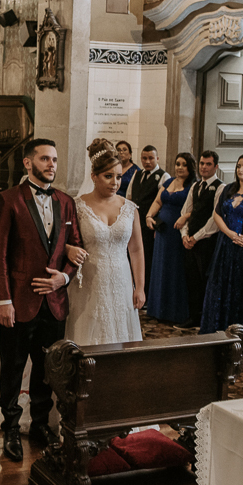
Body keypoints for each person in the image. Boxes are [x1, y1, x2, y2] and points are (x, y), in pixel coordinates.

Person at [0, 138, 82, 462]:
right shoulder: (8, 200)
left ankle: (40, 424)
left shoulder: (66, 203)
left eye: (54, 159)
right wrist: (3, 300)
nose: (51, 165)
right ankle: (11, 428)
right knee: (13, 368)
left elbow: (76, 247)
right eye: (44, 159)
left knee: (47, 368)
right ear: (28, 163)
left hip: (54, 303)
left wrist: (64, 277)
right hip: (18, 301)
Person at [68, 139, 145, 346]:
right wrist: (69, 249)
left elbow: (136, 249)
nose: (115, 183)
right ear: (94, 176)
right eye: (108, 176)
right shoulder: (77, 207)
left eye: (119, 177)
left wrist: (140, 287)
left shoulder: (130, 208)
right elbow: (63, 243)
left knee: (122, 331)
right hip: (90, 281)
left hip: (122, 279)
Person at [199, 153, 243, 334]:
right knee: (218, 285)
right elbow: (217, 214)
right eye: (238, 166)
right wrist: (228, 233)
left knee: (240, 288)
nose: (240, 170)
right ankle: (215, 329)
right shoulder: (228, 189)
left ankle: (237, 332)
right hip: (225, 244)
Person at [144, 152, 196, 324]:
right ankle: (156, 308)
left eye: (184, 164)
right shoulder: (168, 182)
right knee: (160, 267)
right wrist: (149, 216)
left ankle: (174, 311)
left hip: (177, 232)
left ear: (190, 167)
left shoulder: (193, 185)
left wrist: (186, 217)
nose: (180, 167)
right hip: (162, 232)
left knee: (174, 269)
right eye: (177, 164)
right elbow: (158, 202)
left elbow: (196, 208)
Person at [179, 150, 222, 327]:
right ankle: (193, 316)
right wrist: (185, 235)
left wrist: (197, 237)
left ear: (216, 166)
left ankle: (206, 318)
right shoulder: (195, 186)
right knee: (192, 280)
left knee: (205, 280)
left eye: (208, 164)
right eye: (202, 164)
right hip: (190, 242)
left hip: (207, 242)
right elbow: (185, 212)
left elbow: (215, 218)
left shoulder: (220, 187)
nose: (204, 167)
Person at [125, 145, 165, 298]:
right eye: (144, 158)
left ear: (157, 158)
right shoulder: (137, 174)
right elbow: (129, 196)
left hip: (150, 225)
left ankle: (146, 293)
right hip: (134, 222)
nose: (147, 162)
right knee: (131, 256)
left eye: (151, 158)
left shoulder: (163, 176)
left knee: (147, 258)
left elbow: (162, 203)